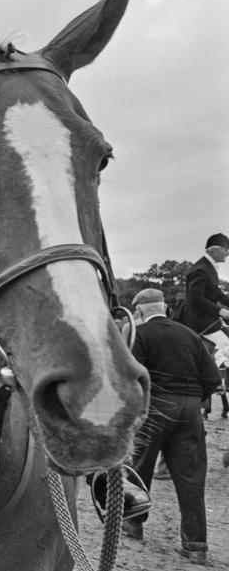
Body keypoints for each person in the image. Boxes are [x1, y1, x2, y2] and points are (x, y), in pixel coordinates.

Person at [121, 288, 220, 565]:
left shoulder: (138, 335)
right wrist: (191, 402)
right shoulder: (190, 334)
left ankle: (133, 525)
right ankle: (196, 545)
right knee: (191, 478)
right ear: (164, 308)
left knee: (139, 470)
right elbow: (212, 379)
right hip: (190, 408)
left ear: (139, 312)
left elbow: (131, 377)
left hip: (154, 406)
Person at [180, 232, 229, 335]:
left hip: (209, 320)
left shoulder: (208, 267)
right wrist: (220, 311)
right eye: (226, 249)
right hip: (200, 324)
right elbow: (195, 298)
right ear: (214, 250)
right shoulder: (201, 270)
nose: (228, 253)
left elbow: (217, 293)